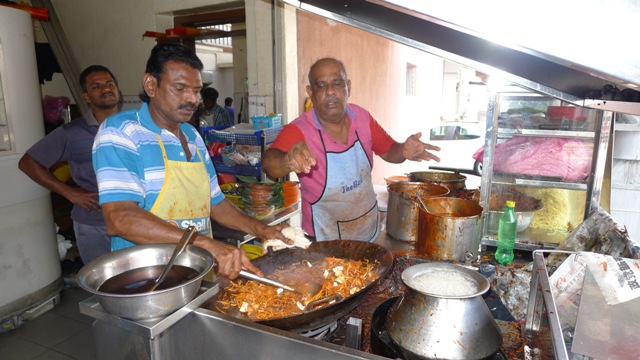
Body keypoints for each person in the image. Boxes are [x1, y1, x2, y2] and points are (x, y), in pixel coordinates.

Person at [92, 43, 289, 279]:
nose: (192, 99)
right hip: (146, 281)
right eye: (180, 88)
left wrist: (261, 229)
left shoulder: (193, 136)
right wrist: (204, 244)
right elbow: (119, 217)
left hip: (196, 274)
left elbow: (216, 203)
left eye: (196, 90)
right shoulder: (121, 132)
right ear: (151, 85)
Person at [262, 57, 440, 242]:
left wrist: (403, 149)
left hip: (369, 233)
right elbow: (268, 164)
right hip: (325, 242)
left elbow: (389, 150)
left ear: (348, 87)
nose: (330, 91)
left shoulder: (361, 117)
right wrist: (287, 161)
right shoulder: (300, 130)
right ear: (310, 92)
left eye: (337, 83)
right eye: (321, 85)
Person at [19, 65, 121, 264]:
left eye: (109, 84)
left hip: (135, 219)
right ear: (86, 97)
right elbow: (28, 162)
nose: (106, 89)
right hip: (95, 224)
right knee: (104, 284)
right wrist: (69, 192)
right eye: (96, 86)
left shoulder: (133, 126)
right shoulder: (72, 132)